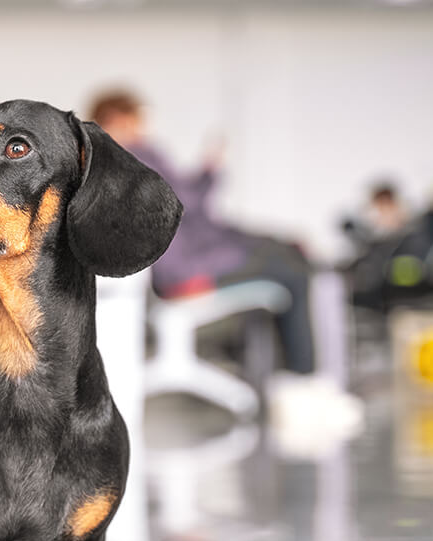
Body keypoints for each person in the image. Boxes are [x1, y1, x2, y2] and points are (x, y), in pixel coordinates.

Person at [87, 89, 317, 375]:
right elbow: (185, 201)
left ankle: (292, 379)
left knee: (286, 257)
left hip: (177, 266)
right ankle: (304, 381)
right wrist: (210, 169)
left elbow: (184, 204)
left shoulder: (102, 162)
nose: (142, 125)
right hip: (185, 271)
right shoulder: (136, 153)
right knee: (294, 271)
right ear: (117, 117)